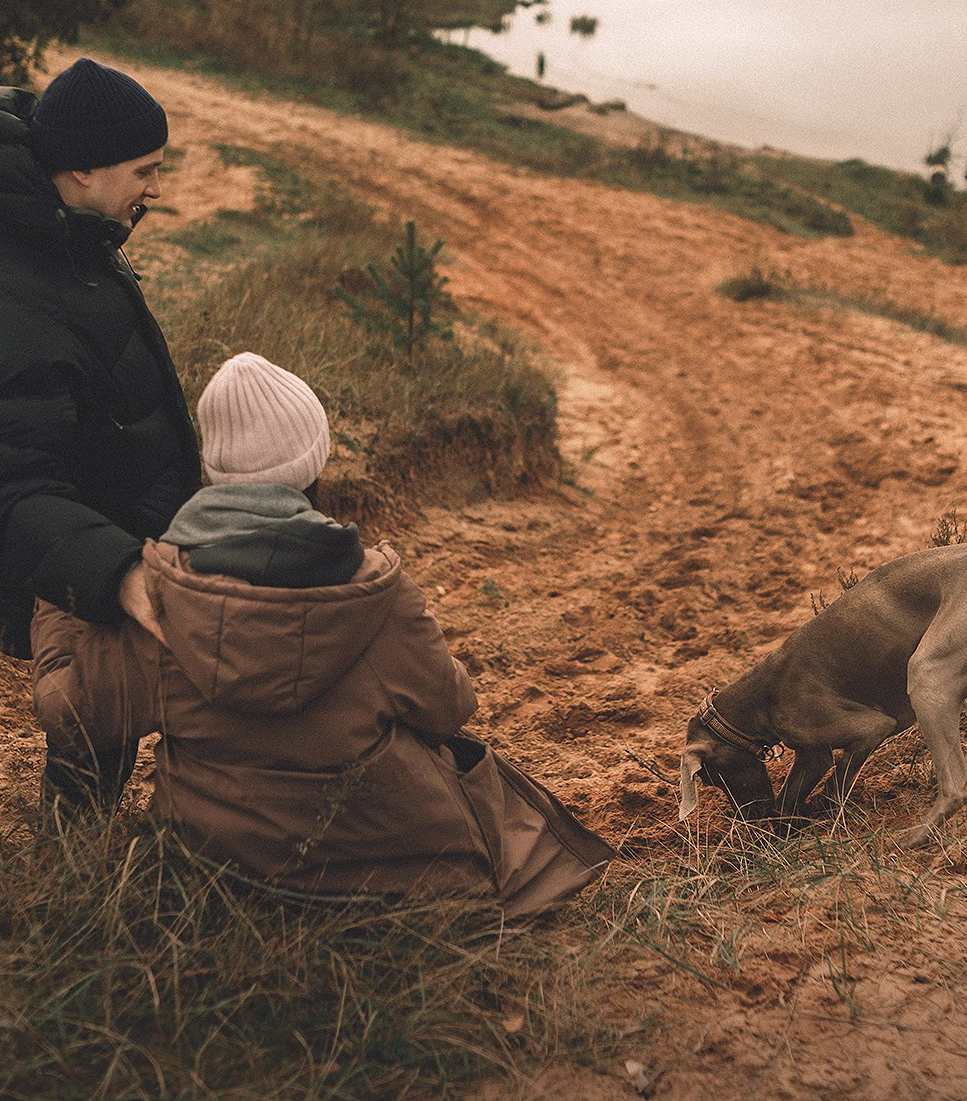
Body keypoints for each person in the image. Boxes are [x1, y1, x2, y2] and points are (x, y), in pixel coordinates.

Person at [30, 353, 614, 914]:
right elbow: (449, 709)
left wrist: (62, 595)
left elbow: (69, 712)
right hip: (390, 880)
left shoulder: (164, 599)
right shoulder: (381, 595)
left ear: (213, 473)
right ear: (315, 466)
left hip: (219, 881)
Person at [0, 58, 201, 812]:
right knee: (87, 753)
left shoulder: (63, 236)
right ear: (82, 168)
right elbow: (3, 490)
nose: (156, 189)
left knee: (101, 743)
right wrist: (117, 571)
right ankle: (66, 871)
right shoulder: (8, 299)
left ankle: (84, 860)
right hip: (82, 577)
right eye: (144, 170)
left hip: (116, 543)